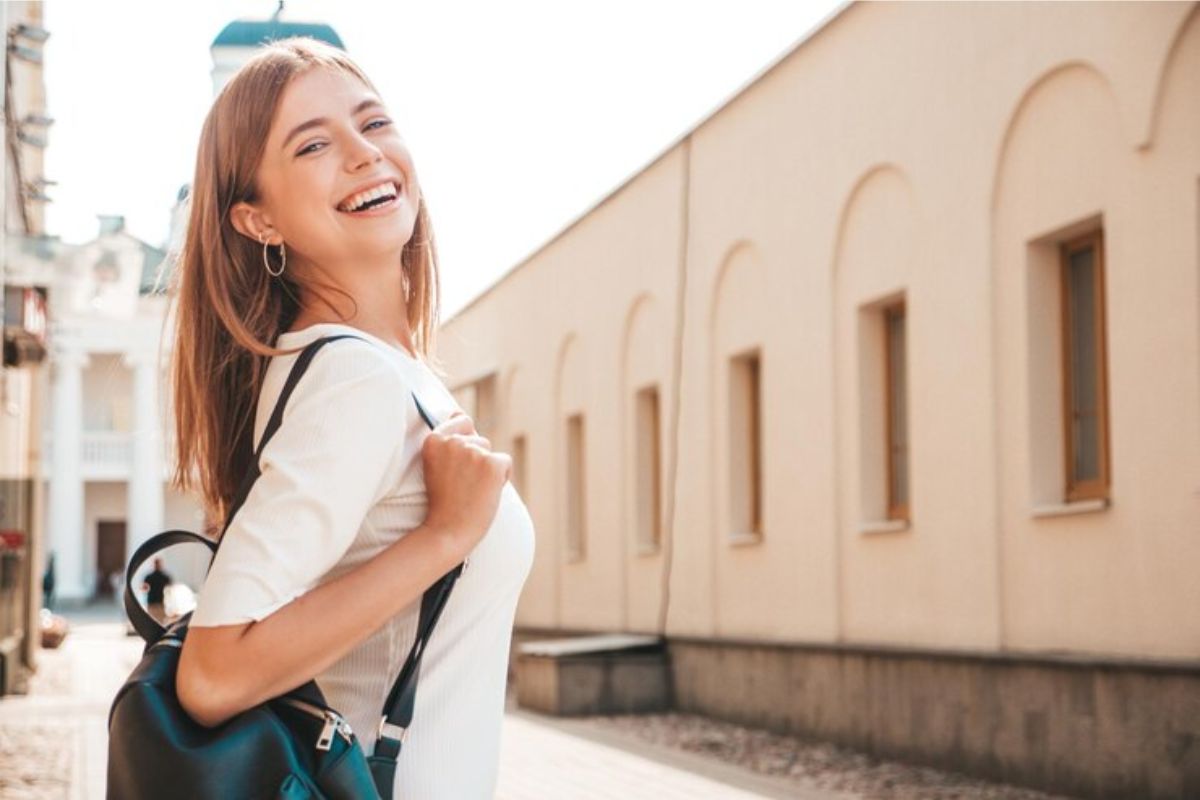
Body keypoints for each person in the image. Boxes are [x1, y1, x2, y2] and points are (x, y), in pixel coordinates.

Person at [168, 38, 535, 798]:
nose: (365, 153)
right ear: (257, 219)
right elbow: (213, 674)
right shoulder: (352, 379)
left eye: (373, 123)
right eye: (313, 145)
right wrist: (444, 538)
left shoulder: (375, 371)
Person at [141, 558, 173, 623]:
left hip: (156, 602)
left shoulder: (149, 577)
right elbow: (170, 587)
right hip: (156, 602)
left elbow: (144, 588)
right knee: (159, 621)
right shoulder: (164, 577)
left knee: (153, 621)